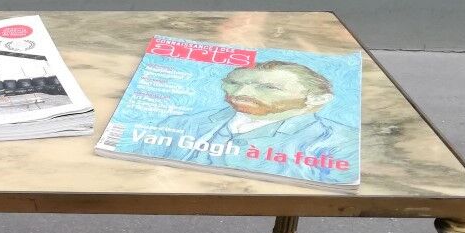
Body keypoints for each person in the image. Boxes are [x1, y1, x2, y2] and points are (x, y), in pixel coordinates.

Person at [119, 60, 359, 181]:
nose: (243, 92)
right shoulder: (180, 124)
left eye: (268, 87)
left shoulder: (341, 143)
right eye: (234, 82)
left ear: (316, 99)